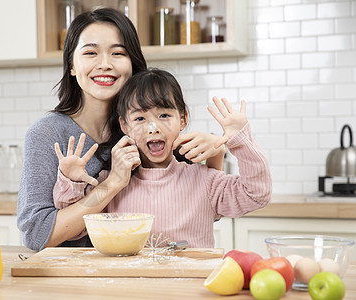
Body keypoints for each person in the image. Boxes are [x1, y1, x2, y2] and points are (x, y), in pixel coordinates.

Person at [17, 9, 224, 251]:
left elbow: (200, 210)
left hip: (138, 274)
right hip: (73, 279)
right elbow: (37, 234)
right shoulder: (48, 134)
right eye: (90, 53)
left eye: (117, 53)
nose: (105, 64)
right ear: (72, 66)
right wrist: (113, 182)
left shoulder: (145, 129)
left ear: (133, 64)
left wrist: (216, 153)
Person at [53, 68, 272, 248]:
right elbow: (75, 230)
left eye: (164, 115)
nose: (153, 128)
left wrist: (240, 141)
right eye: (139, 118)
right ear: (124, 126)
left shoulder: (204, 181)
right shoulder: (111, 183)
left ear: (183, 119)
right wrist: (71, 181)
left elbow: (256, 194)